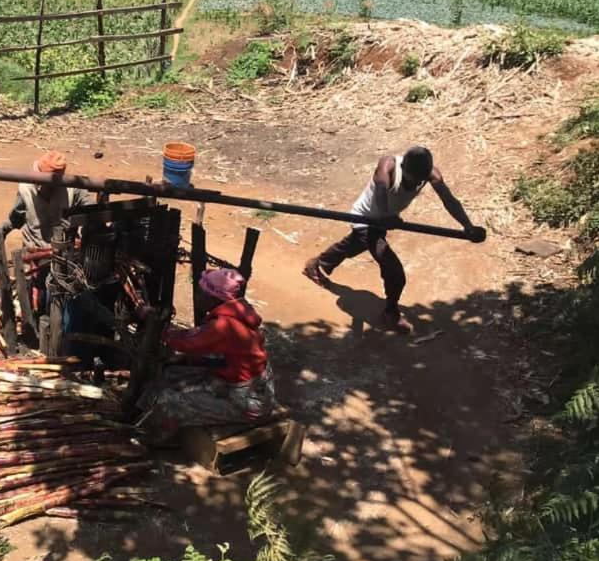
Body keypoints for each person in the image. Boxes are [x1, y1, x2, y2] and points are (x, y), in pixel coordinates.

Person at [303, 146, 482, 334]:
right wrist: (385, 216)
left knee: (356, 244)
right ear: (403, 166)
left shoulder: (430, 174)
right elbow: (381, 190)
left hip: (384, 221)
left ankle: (317, 264)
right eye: (413, 178)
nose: (416, 183)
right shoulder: (387, 165)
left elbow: (449, 200)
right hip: (365, 218)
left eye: (421, 179)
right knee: (394, 270)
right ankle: (390, 313)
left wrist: (468, 226)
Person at [137, 268, 275, 444]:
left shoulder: (224, 326)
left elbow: (187, 342)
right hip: (240, 385)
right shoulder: (236, 314)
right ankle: (141, 416)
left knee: (171, 402)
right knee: (171, 374)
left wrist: (155, 325)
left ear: (215, 298)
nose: (197, 296)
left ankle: (149, 440)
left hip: (249, 401)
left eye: (202, 292)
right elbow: (199, 339)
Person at [0, 150, 93, 248]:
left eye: (47, 184)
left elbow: (93, 211)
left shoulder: (73, 188)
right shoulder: (26, 188)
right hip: (33, 251)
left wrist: (76, 222)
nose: (41, 185)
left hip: (64, 251)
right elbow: (16, 218)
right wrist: (2, 229)